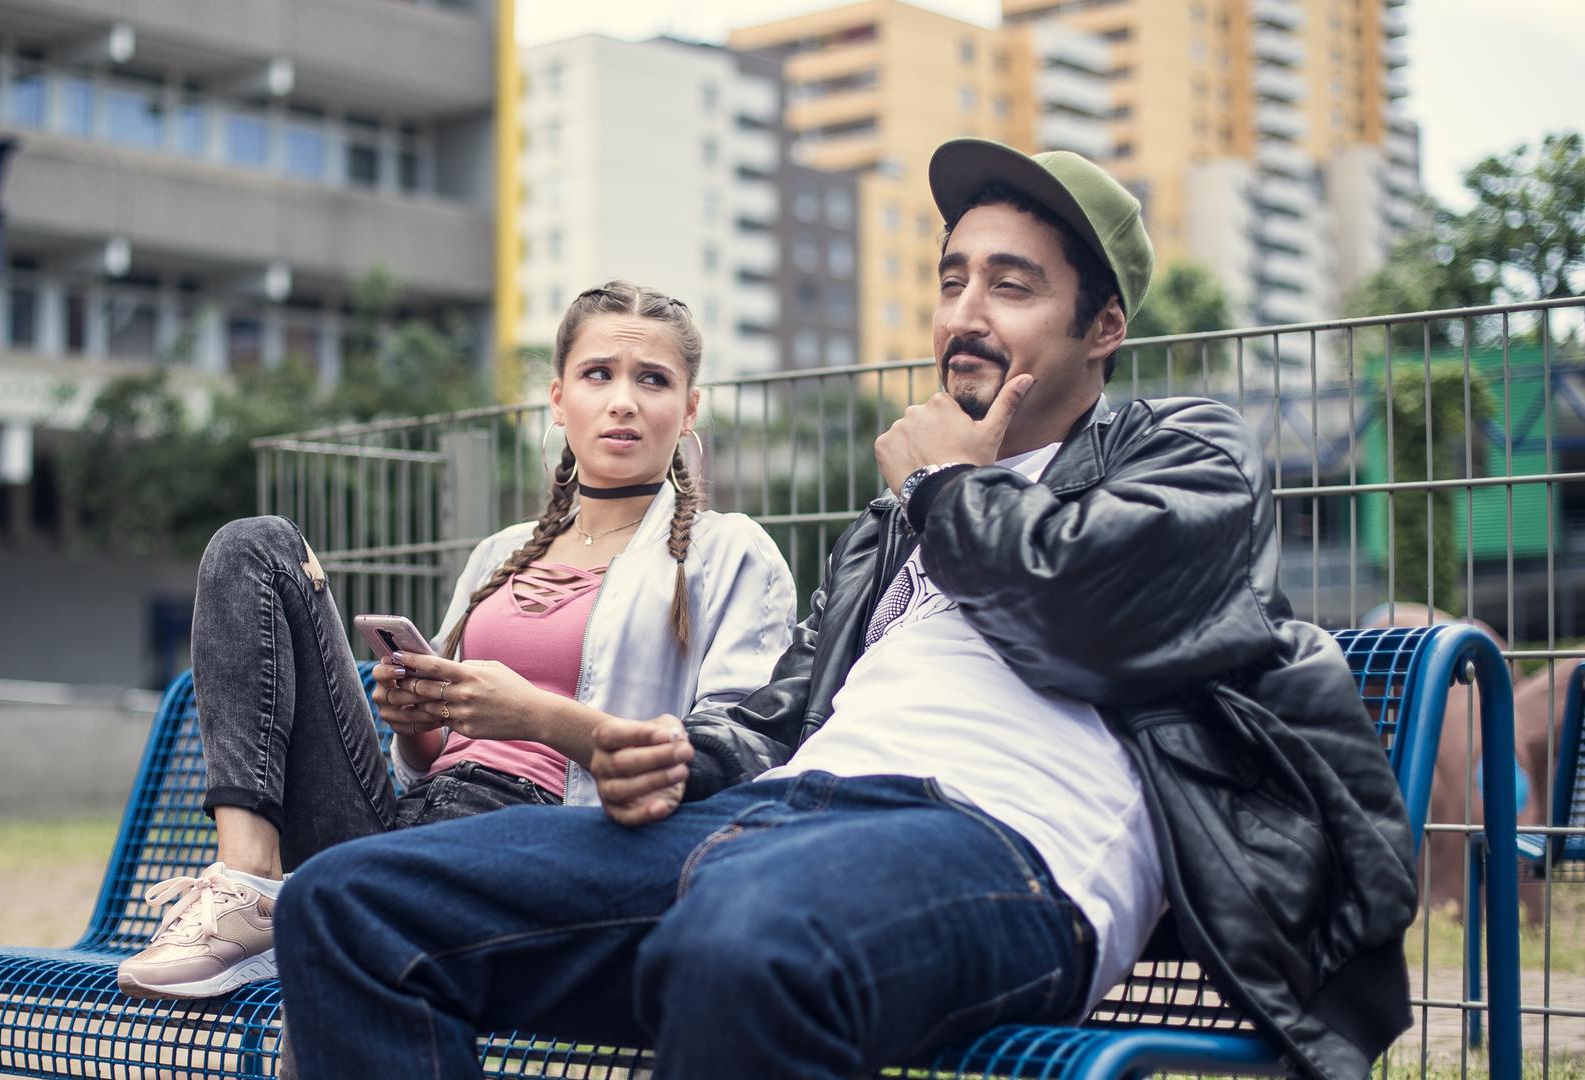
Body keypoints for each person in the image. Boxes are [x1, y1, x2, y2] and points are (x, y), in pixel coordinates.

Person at [277, 140, 1418, 1079]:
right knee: (348, 906)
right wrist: (676, 751)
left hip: (1004, 848)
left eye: (1012, 287)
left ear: (1103, 328)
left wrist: (939, 486)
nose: (965, 314)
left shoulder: (1183, 449)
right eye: (952, 278)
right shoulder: (891, 529)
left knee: (752, 944)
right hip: (771, 826)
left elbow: (1086, 621)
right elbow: (783, 716)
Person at [116, 280, 796, 1000]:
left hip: (552, 847)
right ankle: (249, 886)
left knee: (354, 967)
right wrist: (417, 727)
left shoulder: (730, 553)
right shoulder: (501, 553)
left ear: (689, 408)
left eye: (652, 380)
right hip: (409, 825)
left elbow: (731, 761)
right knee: (254, 546)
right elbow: (423, 770)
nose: (623, 400)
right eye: (599, 374)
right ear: (559, 399)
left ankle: (310, 917)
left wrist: (532, 714)